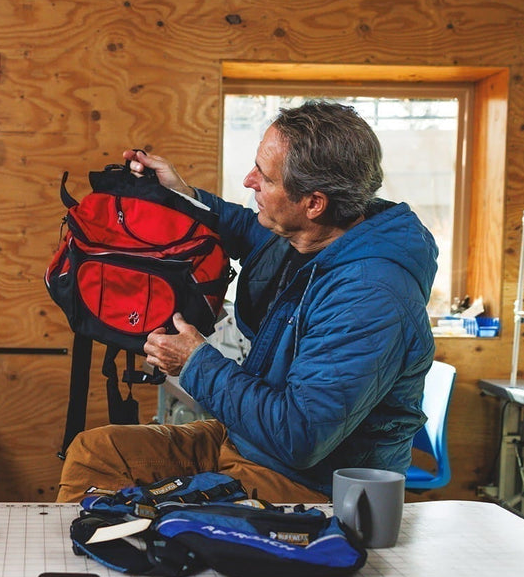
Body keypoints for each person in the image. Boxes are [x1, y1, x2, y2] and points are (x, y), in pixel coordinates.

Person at [57, 101, 438, 504]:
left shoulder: (368, 296)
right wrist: (181, 195)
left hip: (307, 481)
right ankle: (94, 554)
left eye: (265, 177)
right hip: (249, 444)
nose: (248, 180)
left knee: (163, 519)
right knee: (96, 454)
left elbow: (300, 436)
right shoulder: (316, 234)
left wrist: (194, 363)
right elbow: (244, 228)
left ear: (313, 203)